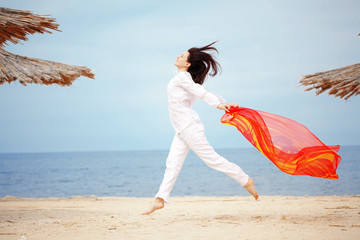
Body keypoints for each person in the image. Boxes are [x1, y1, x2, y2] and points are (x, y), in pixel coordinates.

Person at [142, 42, 258, 215]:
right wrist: (223, 102)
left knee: (211, 159)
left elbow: (201, 92)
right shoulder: (182, 78)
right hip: (182, 129)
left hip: (189, 127)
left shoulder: (183, 78)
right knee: (172, 163)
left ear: (187, 64)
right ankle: (160, 199)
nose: (178, 56)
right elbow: (203, 90)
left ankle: (245, 180)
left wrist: (219, 105)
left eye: (181, 56)